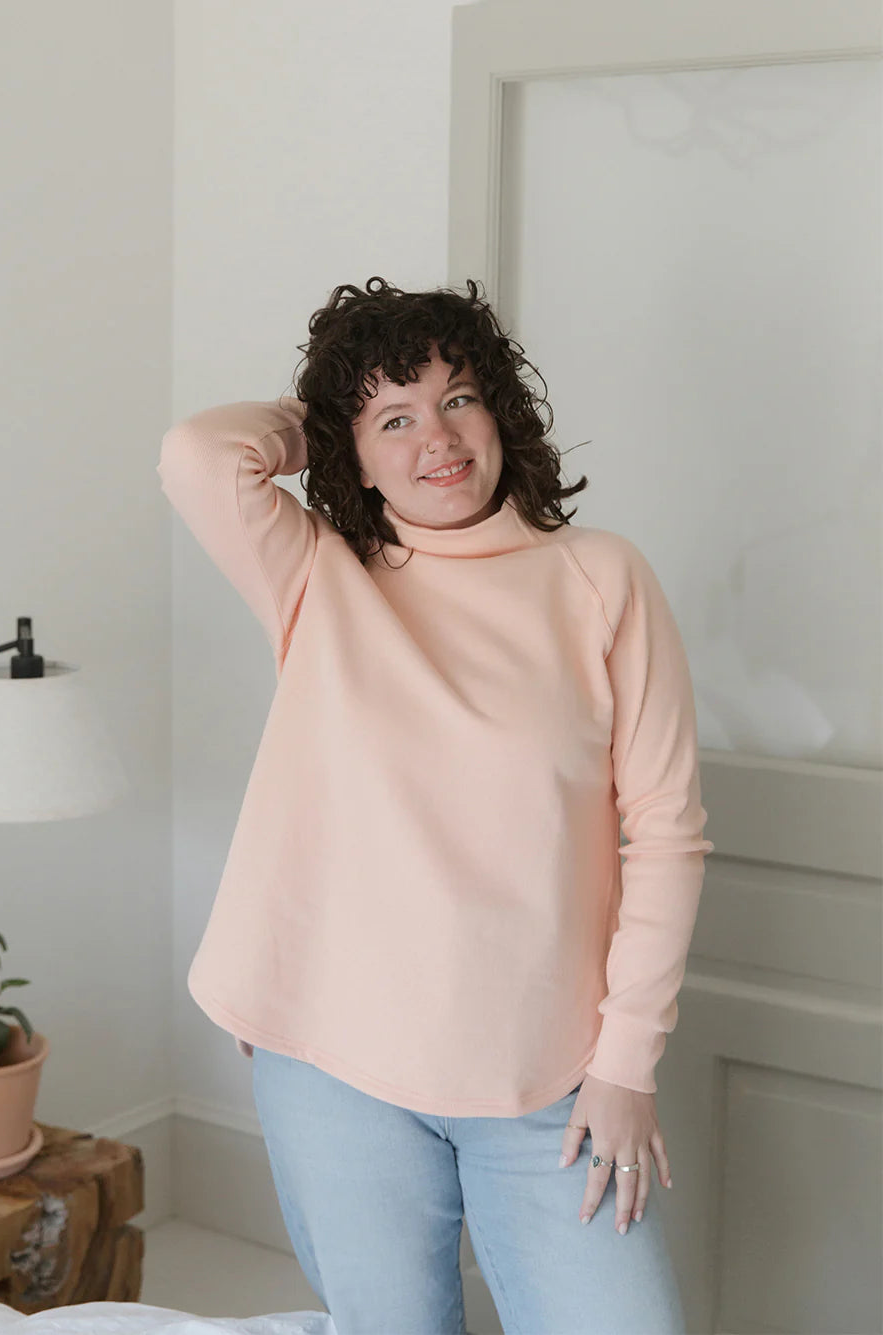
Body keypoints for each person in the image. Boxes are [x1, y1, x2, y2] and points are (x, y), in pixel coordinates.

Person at [155, 276, 714, 1334]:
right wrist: (327, 415)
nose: (438, 439)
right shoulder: (321, 575)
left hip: (548, 1072)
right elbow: (196, 453)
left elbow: (667, 832)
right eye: (394, 419)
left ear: (500, 409)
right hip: (333, 1059)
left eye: (458, 398)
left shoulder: (599, 578)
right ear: (350, 453)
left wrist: (626, 1064)